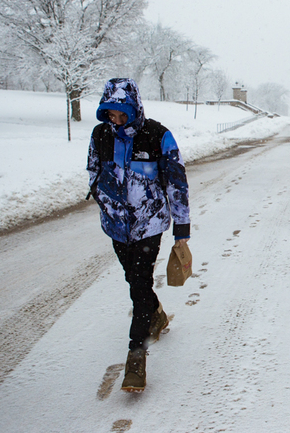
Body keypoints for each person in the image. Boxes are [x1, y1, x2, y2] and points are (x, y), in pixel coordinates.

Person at [87, 78, 190, 393]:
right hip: (116, 225)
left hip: (149, 224)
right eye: (110, 114)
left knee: (140, 283)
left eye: (122, 114)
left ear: (134, 109)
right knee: (134, 280)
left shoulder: (158, 136)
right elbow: (93, 168)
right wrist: (100, 193)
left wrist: (181, 231)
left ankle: (136, 357)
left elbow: (176, 182)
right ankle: (155, 314)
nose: (116, 121)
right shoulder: (101, 134)